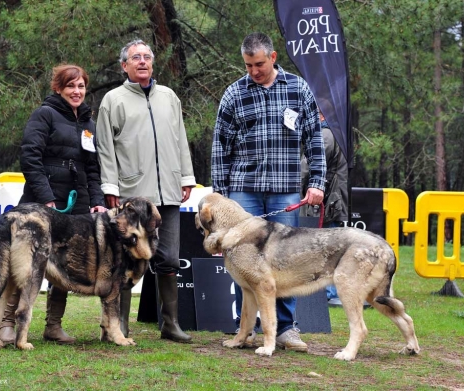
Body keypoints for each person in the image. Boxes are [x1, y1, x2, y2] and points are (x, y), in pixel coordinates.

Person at [211, 32, 326, 352]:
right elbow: (220, 147)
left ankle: (287, 329)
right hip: (243, 193)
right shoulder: (234, 93)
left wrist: (317, 182)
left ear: (273, 57)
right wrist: (220, 195)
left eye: (259, 64)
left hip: (286, 191)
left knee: (284, 261)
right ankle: (244, 329)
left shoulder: (298, 88)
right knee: (242, 261)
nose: (253, 71)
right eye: (248, 65)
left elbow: (314, 140)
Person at [96, 39, 196, 343]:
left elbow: (180, 138)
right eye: (135, 58)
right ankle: (120, 325)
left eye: (147, 57)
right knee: (125, 259)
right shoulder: (112, 100)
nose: (142, 62)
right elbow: (105, 147)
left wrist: (186, 177)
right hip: (132, 196)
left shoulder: (169, 97)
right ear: (124, 65)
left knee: (169, 258)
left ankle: (170, 324)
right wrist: (110, 186)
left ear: (153, 63)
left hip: (168, 192)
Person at [0, 64, 107, 345]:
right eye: (71, 86)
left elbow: (93, 169)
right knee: (23, 265)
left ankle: (53, 326)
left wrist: (96, 202)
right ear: (58, 88)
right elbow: (30, 158)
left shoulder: (89, 124)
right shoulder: (44, 114)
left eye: (81, 86)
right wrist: (46, 197)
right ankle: (7, 323)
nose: (77, 91)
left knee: (64, 265)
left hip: (78, 206)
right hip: (40, 203)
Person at [300, 110, 349, 306]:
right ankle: (330, 292)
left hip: (327, 201)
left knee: (326, 248)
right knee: (332, 247)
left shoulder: (325, 135)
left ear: (320, 115)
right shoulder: (336, 134)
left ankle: (329, 293)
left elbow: (308, 166)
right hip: (333, 199)